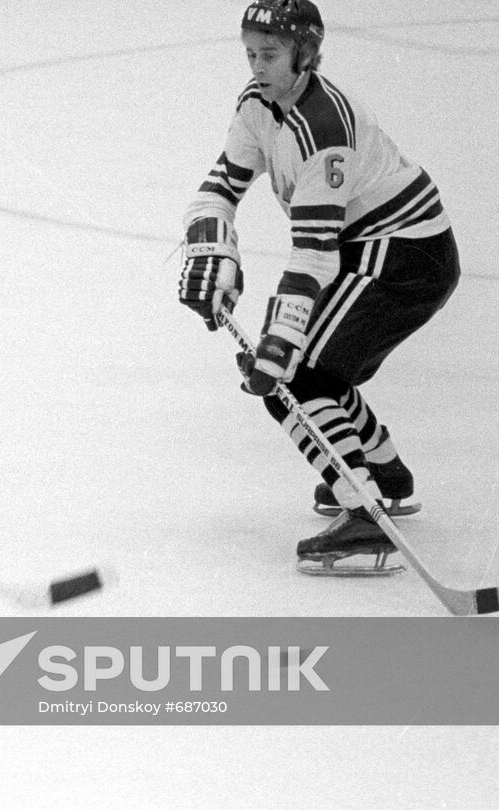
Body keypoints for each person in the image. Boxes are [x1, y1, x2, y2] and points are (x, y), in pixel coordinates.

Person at [177, 0, 460, 574]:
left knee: (297, 374)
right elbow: (219, 188)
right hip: (371, 249)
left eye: (271, 54)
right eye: (251, 53)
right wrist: (212, 246)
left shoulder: (324, 128)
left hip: (404, 255)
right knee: (309, 369)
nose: (257, 66)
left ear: (304, 54)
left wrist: (280, 341)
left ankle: (363, 515)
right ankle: (383, 474)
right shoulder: (258, 105)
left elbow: (313, 252)